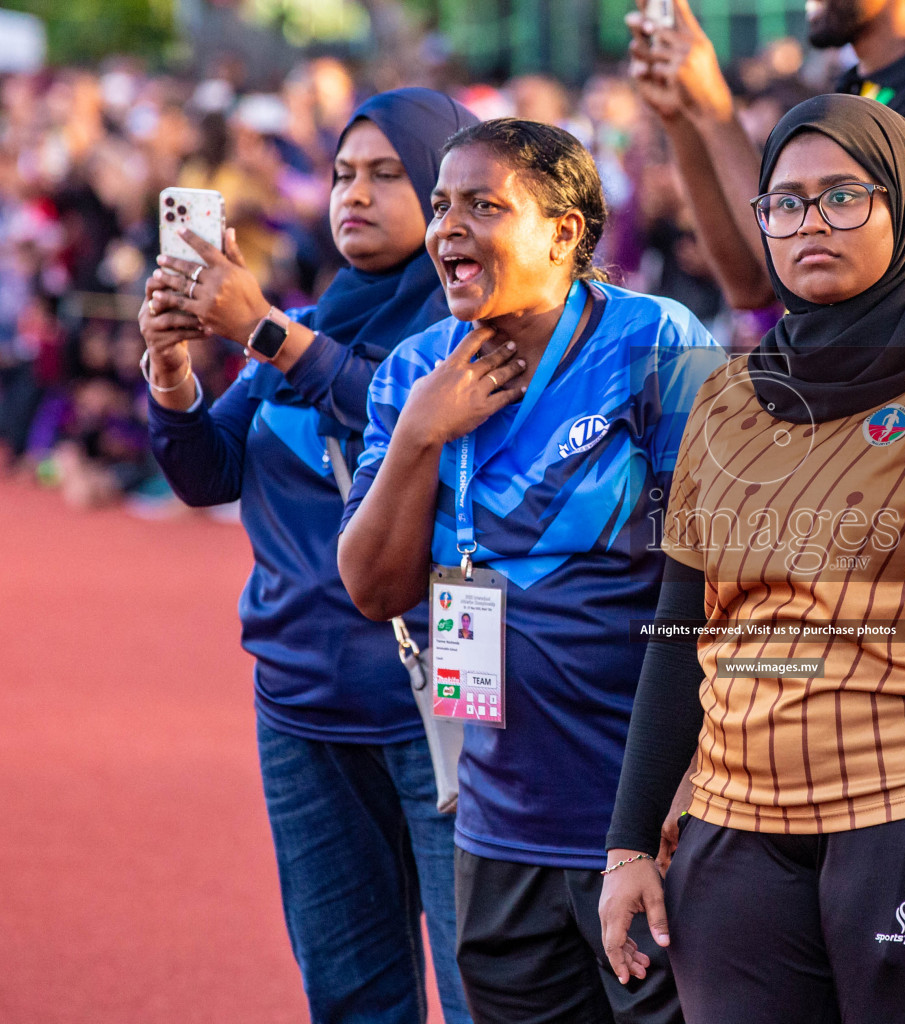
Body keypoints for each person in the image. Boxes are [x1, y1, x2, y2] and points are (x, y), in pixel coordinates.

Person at [598, 94, 905, 1024]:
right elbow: (680, 633)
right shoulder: (727, 397)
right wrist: (626, 844)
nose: (810, 222)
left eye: (843, 196)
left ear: (903, 206)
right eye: (785, 203)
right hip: (733, 827)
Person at [336, 117, 722, 1024]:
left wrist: (686, 783)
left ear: (565, 232)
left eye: (483, 205)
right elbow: (371, 588)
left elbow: (721, 570)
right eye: (440, 207)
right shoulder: (413, 373)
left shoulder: (656, 341)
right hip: (498, 826)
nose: (447, 229)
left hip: (648, 821)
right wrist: (420, 433)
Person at [139, 88, 478, 1024]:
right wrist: (172, 375)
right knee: (350, 995)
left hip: (450, 695)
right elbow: (209, 471)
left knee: (482, 986)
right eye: (339, 175)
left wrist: (269, 335)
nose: (352, 195)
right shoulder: (309, 319)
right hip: (300, 704)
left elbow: (412, 418)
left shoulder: (480, 325)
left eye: (385, 174)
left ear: (452, 194)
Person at [626, 0, 905, 321]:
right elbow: (750, 285)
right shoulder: (858, 91)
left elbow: (858, 290)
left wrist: (714, 107)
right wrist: (681, 115)